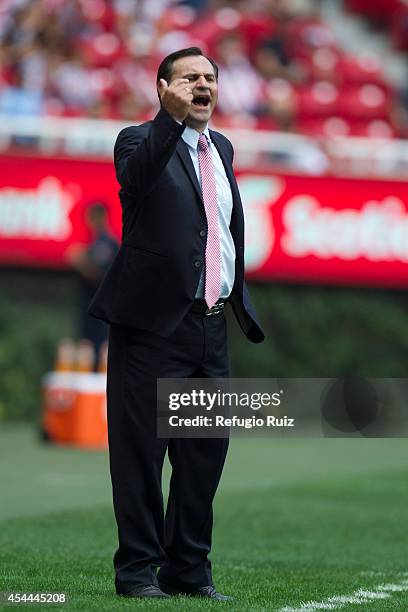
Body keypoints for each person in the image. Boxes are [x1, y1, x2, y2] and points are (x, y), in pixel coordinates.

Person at [88, 46, 264, 600]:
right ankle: (138, 571)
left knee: (204, 454)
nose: (202, 85)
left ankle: (187, 571)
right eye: (189, 78)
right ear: (162, 88)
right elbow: (138, 184)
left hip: (210, 327)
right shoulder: (138, 140)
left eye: (209, 76)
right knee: (141, 455)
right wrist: (169, 119)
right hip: (151, 328)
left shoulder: (223, 149)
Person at [68, 203, 119, 368]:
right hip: (91, 310)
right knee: (88, 352)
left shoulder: (106, 243)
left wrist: (80, 261)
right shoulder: (94, 242)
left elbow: (99, 275)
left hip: (101, 313)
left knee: (98, 355)